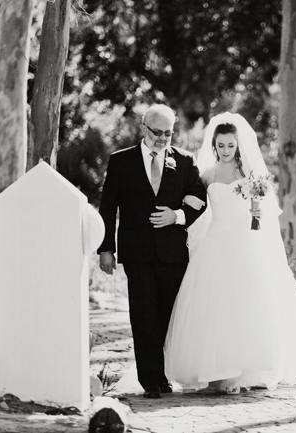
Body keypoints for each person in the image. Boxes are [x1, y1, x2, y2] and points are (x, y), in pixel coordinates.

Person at [163, 112, 296, 394]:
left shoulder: (249, 174)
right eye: (221, 145)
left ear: (238, 145)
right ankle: (214, 371)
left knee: (244, 304)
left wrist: (254, 218)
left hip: (243, 243)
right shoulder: (207, 175)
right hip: (215, 243)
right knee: (213, 305)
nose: (226, 150)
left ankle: (242, 371)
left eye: (231, 145)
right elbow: (197, 203)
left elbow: (259, 212)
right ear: (214, 146)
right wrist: (186, 203)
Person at [97, 104, 207, 399]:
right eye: (157, 132)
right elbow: (108, 208)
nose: (162, 138)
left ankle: (166, 374)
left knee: (168, 317)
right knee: (144, 316)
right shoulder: (121, 162)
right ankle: (151, 381)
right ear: (143, 128)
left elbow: (199, 198)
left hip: (173, 254)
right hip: (137, 253)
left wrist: (177, 215)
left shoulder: (184, 161)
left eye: (168, 133)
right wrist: (106, 249)